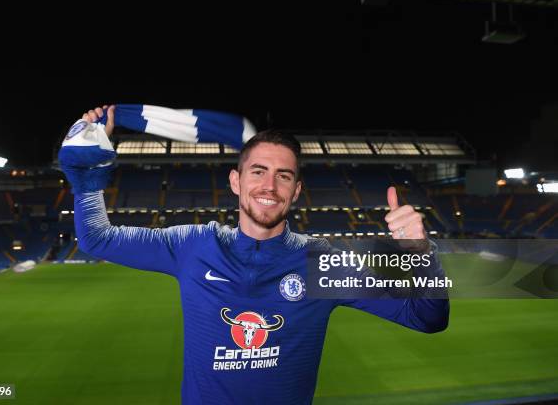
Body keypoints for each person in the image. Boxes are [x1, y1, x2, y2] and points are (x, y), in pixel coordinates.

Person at [65, 105, 449, 405]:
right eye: (258, 171)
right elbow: (96, 238)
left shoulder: (321, 263)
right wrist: (89, 171)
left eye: (283, 176)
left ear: (296, 190)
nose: (269, 186)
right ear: (236, 181)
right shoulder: (192, 245)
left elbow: (426, 318)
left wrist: (420, 253)